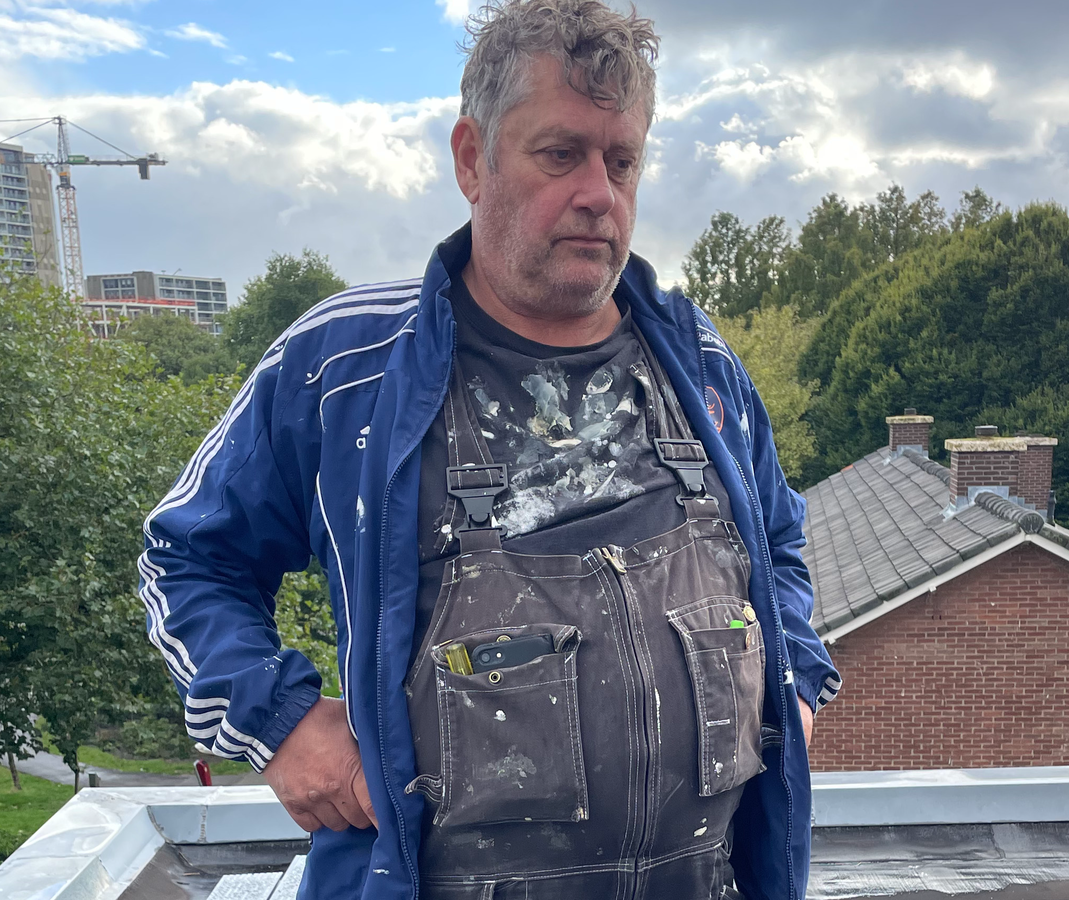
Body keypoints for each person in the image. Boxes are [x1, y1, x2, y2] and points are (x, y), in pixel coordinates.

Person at [139, 2, 841, 898]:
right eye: (561, 154)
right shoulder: (346, 369)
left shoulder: (699, 366)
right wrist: (279, 724)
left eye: (622, 161)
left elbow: (778, 544)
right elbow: (188, 555)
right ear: (472, 159)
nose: (598, 194)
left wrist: (797, 683)